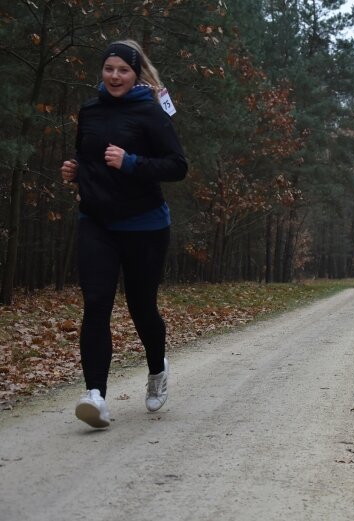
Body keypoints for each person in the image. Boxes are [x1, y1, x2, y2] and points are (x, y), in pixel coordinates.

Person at [60, 40, 188, 428]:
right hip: (96, 222)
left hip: (145, 225)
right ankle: (95, 396)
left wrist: (130, 162)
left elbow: (176, 166)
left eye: (123, 70)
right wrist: (75, 172)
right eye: (109, 69)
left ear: (136, 75)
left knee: (141, 307)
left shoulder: (150, 112)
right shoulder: (90, 110)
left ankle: (157, 370)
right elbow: (89, 156)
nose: (114, 76)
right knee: (96, 303)